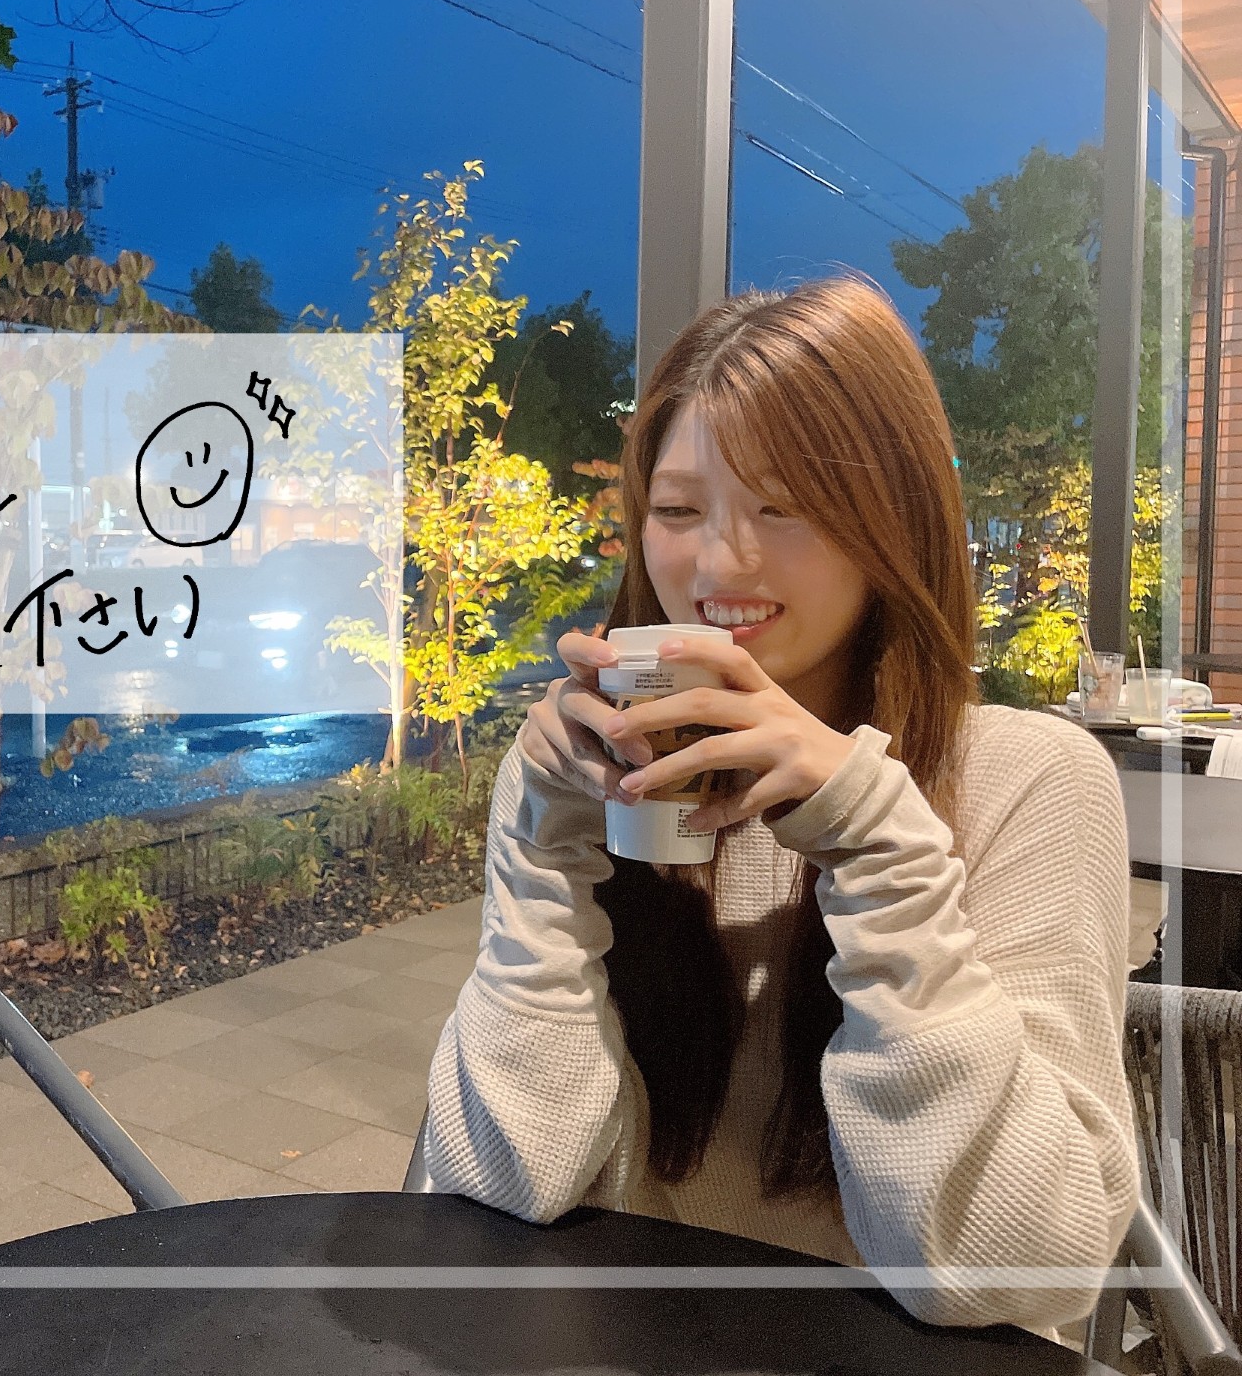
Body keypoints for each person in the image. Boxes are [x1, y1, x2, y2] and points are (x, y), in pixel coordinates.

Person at [422, 276, 1145, 1335]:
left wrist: (878, 844)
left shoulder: (1028, 779)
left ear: (893, 520)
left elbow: (1023, 1267)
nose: (720, 561)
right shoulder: (586, 778)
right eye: (678, 510)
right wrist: (542, 843)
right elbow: (502, 1187)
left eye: (784, 506)